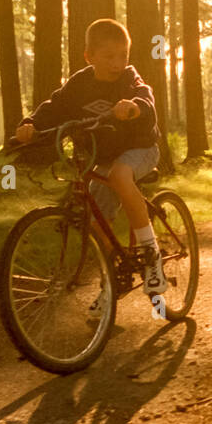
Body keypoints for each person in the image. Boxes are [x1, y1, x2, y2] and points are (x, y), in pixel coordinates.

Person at [13, 18, 166, 303]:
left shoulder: (128, 79)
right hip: (104, 158)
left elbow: (145, 98)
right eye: (109, 56)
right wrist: (30, 125)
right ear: (89, 56)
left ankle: (151, 253)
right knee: (97, 223)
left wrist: (134, 107)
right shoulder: (79, 84)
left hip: (141, 149)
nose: (117, 63)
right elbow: (53, 107)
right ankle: (109, 286)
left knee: (120, 176)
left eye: (123, 55)